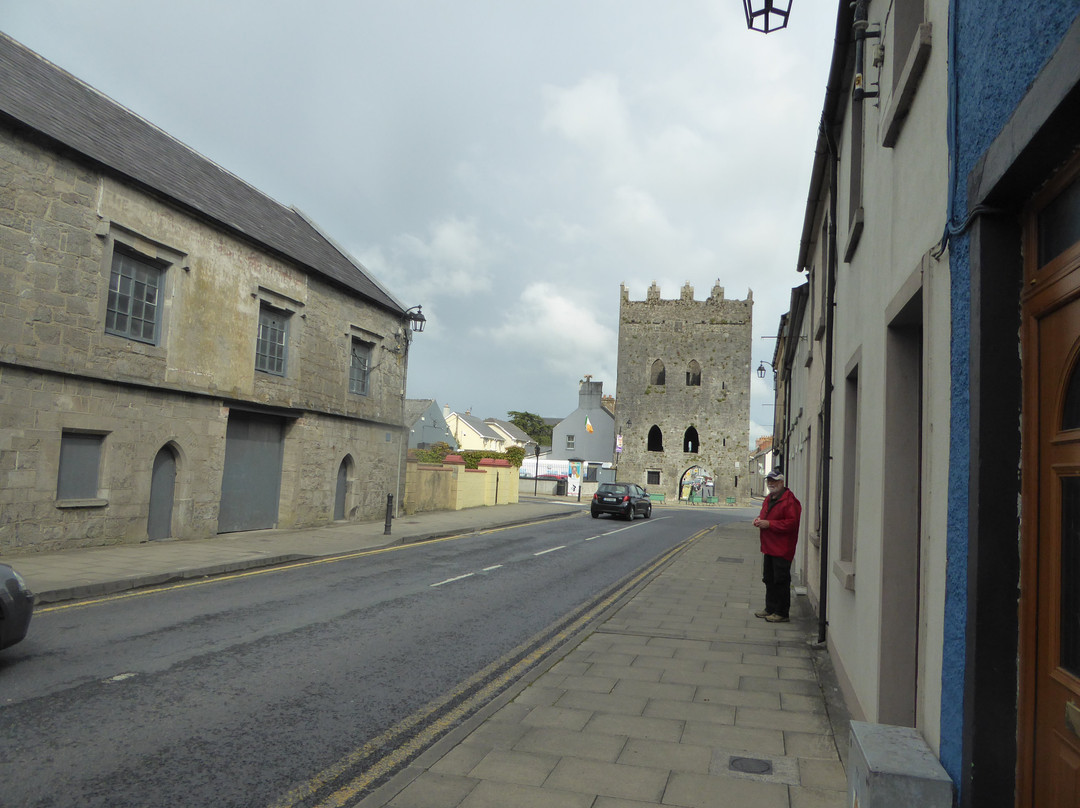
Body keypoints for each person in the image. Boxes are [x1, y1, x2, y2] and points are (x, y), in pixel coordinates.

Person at [752, 469, 802, 623]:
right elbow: (766, 517)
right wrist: (759, 520)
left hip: (782, 548)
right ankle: (770, 608)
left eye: (774, 481)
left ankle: (781, 613)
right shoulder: (769, 499)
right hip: (769, 546)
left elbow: (791, 524)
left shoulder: (790, 501)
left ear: (781, 482)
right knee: (769, 578)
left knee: (780, 580)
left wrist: (769, 524)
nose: (771, 484)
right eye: (769, 481)